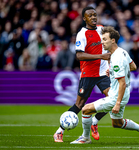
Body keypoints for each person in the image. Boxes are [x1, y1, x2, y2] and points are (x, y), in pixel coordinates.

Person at [70, 26, 139, 144]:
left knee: (85, 110)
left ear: (113, 40)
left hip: (116, 96)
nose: (102, 42)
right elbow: (133, 67)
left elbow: (122, 83)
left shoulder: (116, 58)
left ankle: (85, 138)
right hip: (124, 94)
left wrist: (117, 103)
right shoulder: (122, 51)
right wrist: (112, 71)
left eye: (104, 39)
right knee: (117, 123)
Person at [53, 6, 111, 142]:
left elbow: (110, 45)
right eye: (90, 16)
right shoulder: (82, 34)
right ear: (84, 18)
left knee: (113, 100)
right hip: (88, 73)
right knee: (79, 105)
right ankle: (59, 131)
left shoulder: (102, 29)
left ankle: (94, 122)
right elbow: (79, 55)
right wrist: (101, 56)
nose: (93, 18)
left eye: (95, 15)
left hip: (103, 72)